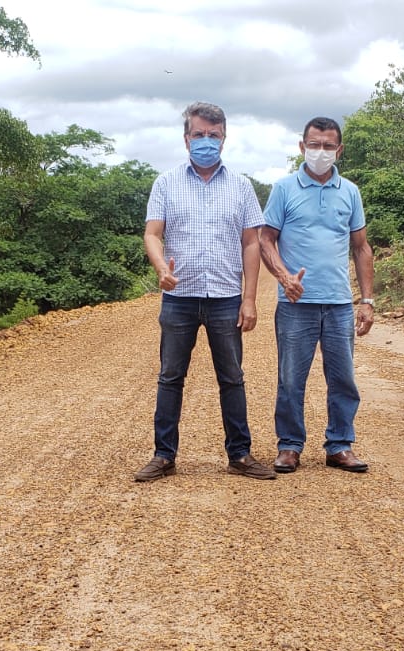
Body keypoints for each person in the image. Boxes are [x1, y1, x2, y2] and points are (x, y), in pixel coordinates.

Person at [134, 102, 276, 482]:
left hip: (226, 297)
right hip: (179, 298)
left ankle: (240, 455)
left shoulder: (241, 185)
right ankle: (164, 455)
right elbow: (152, 233)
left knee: (231, 377)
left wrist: (249, 298)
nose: (206, 142)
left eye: (214, 135)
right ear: (186, 139)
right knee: (170, 377)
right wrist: (162, 268)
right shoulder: (166, 183)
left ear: (224, 139)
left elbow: (251, 242)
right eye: (199, 135)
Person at [258, 116, 376, 474]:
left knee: (343, 378)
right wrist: (283, 276)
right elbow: (266, 239)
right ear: (302, 147)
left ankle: (340, 445)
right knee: (291, 379)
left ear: (339, 150)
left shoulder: (350, 192)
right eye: (314, 144)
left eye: (327, 146)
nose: (320, 152)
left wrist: (366, 300)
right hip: (296, 305)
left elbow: (361, 248)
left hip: (339, 303)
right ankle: (290, 446)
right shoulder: (283, 189)